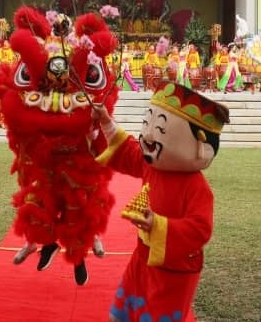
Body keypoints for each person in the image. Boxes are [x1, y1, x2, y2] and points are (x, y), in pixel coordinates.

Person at [92, 83, 229, 322]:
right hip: (141, 259)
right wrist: (105, 121)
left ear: (199, 144)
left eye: (161, 129)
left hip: (174, 270)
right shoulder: (152, 165)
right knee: (123, 314)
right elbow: (127, 151)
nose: (148, 136)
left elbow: (200, 229)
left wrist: (158, 225)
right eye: (148, 124)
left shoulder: (197, 187)